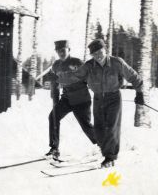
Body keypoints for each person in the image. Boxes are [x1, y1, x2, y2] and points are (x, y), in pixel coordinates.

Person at [57, 39, 144, 168]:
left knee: (111, 127)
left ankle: (110, 157)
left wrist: (140, 93)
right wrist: (59, 77)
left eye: (100, 52)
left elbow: (133, 76)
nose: (98, 56)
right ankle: (105, 151)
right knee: (98, 128)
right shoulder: (89, 65)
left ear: (105, 50)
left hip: (113, 98)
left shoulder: (117, 63)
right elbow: (75, 75)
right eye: (94, 54)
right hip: (98, 98)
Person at [45, 40, 97, 160]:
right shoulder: (56, 65)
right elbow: (54, 84)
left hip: (81, 99)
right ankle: (54, 148)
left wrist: (59, 79)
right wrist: (55, 98)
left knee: (86, 125)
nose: (61, 53)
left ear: (69, 50)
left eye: (63, 50)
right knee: (53, 117)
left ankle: (102, 145)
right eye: (58, 51)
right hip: (67, 98)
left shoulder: (77, 62)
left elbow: (82, 78)